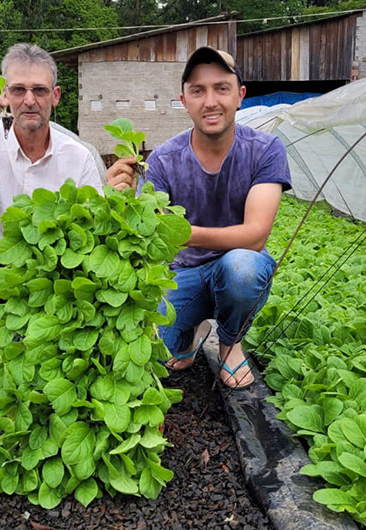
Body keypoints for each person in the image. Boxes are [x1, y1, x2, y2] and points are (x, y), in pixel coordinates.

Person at [105, 47, 291, 389]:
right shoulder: (163, 159)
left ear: (240, 96)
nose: (210, 101)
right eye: (198, 91)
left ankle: (230, 342)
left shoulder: (265, 149)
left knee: (242, 267)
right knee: (158, 355)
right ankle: (191, 332)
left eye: (221, 88)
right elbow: (148, 231)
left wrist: (181, 232)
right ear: (184, 101)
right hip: (182, 276)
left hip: (237, 269)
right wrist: (122, 201)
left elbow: (255, 236)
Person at [0, 43, 102, 387]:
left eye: (39, 90)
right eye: (18, 90)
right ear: (5, 95)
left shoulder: (78, 157)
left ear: (55, 97)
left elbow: (95, 235)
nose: (29, 100)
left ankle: (55, 335)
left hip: (53, 276)